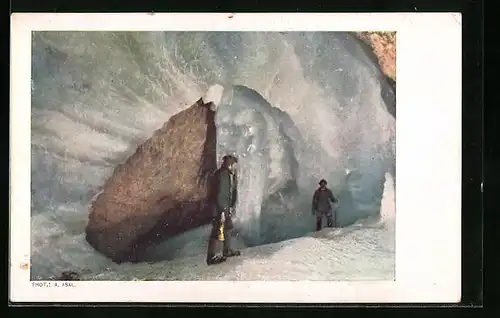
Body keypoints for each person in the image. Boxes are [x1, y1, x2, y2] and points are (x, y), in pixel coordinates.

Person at [206, 154, 241, 265]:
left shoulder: (227, 174)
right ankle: (211, 257)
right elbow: (222, 194)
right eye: (231, 163)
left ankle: (227, 250)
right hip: (219, 208)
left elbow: (230, 193)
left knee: (227, 228)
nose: (232, 165)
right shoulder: (223, 174)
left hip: (222, 207)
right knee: (217, 229)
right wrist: (223, 210)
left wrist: (230, 206)